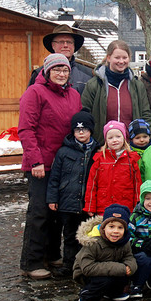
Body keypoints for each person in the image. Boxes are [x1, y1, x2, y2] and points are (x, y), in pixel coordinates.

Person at [19, 53, 82, 279]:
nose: (61, 74)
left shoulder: (74, 95)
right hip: (41, 164)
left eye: (65, 70)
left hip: (64, 163)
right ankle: (31, 261)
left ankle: (51, 253)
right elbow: (26, 129)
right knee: (40, 212)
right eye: (56, 70)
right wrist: (35, 159)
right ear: (46, 72)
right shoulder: (34, 93)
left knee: (57, 212)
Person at [46, 110, 100, 277]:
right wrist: (52, 198)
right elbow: (54, 178)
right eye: (77, 130)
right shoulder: (64, 152)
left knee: (86, 236)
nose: (81, 133)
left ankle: (85, 266)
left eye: (84, 129)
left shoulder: (98, 151)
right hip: (67, 202)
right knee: (69, 236)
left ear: (91, 130)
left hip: (87, 203)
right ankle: (68, 265)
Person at [81, 39, 151, 144]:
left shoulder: (137, 85)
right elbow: (85, 114)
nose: (121, 61)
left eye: (124, 58)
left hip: (131, 146)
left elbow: (145, 114)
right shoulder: (94, 85)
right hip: (103, 146)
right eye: (117, 58)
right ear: (108, 58)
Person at [74, 204, 137, 301]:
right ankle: (86, 297)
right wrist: (120, 268)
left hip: (111, 270)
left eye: (120, 227)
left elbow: (129, 256)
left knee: (122, 276)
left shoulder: (124, 242)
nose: (115, 231)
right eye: (111, 227)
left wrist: (130, 266)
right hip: (89, 274)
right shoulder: (93, 242)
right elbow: (87, 268)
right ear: (104, 227)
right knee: (105, 279)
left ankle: (113, 293)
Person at [83, 121, 142, 215]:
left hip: (126, 207)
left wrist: (137, 206)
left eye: (118, 136)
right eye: (110, 138)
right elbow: (92, 184)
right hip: (103, 208)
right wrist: (90, 206)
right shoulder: (100, 159)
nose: (114, 140)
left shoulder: (131, 159)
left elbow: (137, 185)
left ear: (124, 138)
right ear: (106, 140)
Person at [28, 24, 92, 94]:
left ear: (74, 45)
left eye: (69, 42)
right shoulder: (39, 74)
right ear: (53, 45)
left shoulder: (88, 74)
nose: (65, 45)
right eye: (61, 42)